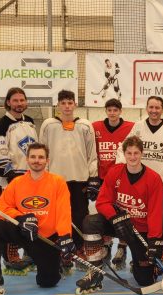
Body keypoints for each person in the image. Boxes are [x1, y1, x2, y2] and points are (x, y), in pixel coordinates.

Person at [0, 143, 73, 295]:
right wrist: (20, 217)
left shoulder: (57, 182)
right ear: (27, 159)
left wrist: (65, 235)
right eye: (33, 157)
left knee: (48, 281)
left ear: (47, 160)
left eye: (41, 157)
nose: (37, 160)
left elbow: (63, 211)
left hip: (44, 238)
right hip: (22, 233)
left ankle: (51, 264)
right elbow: (2, 208)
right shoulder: (17, 182)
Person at [79, 136, 163, 291]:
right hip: (118, 224)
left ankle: (149, 266)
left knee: (144, 280)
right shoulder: (115, 173)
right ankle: (95, 270)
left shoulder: (154, 179)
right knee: (90, 222)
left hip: (139, 229)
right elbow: (102, 202)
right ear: (124, 154)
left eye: (136, 153)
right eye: (129, 153)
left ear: (142, 154)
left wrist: (154, 240)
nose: (132, 157)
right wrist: (115, 217)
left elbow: (155, 212)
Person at [38, 89, 98, 268]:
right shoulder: (48, 125)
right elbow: (43, 152)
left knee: (80, 215)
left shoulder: (85, 125)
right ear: (58, 105)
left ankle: (79, 249)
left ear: (75, 105)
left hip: (79, 178)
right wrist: (43, 176)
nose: (66, 106)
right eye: (63, 103)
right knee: (57, 217)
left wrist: (93, 177)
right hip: (56, 180)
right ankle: (61, 251)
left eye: (70, 102)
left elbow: (91, 154)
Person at [116, 95, 163, 242]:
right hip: (141, 182)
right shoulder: (138, 126)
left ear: (162, 109)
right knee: (140, 219)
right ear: (147, 108)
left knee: (162, 221)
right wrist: (120, 166)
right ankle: (140, 250)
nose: (154, 110)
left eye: (157, 107)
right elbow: (125, 147)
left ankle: (161, 251)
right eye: (151, 107)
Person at [0, 87, 38, 275]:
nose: (19, 104)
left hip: (31, 179)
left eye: (22, 100)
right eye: (15, 100)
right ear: (8, 102)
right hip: (13, 181)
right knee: (11, 219)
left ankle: (30, 252)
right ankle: (10, 257)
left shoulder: (31, 122)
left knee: (32, 216)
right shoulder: (1, 124)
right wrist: (14, 178)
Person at [92, 98, 134, 268]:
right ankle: (107, 243)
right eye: (109, 110)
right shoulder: (95, 127)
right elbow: (92, 152)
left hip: (122, 178)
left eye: (115, 110)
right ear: (106, 111)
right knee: (105, 211)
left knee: (123, 210)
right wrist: (92, 177)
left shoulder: (130, 127)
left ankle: (122, 247)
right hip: (103, 177)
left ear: (120, 111)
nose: (112, 113)